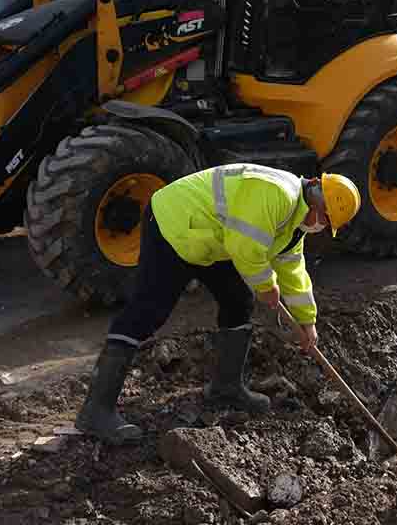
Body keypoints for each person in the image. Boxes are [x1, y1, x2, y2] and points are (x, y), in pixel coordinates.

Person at [75, 165, 361, 444]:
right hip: (175, 223)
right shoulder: (277, 194)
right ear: (317, 198)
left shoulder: (295, 223)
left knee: (237, 301)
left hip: (210, 235)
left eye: (326, 225)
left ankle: (226, 387)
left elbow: (293, 270)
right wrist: (265, 286)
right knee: (147, 312)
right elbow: (245, 247)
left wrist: (307, 321)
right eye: (324, 219)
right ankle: (96, 410)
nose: (321, 226)